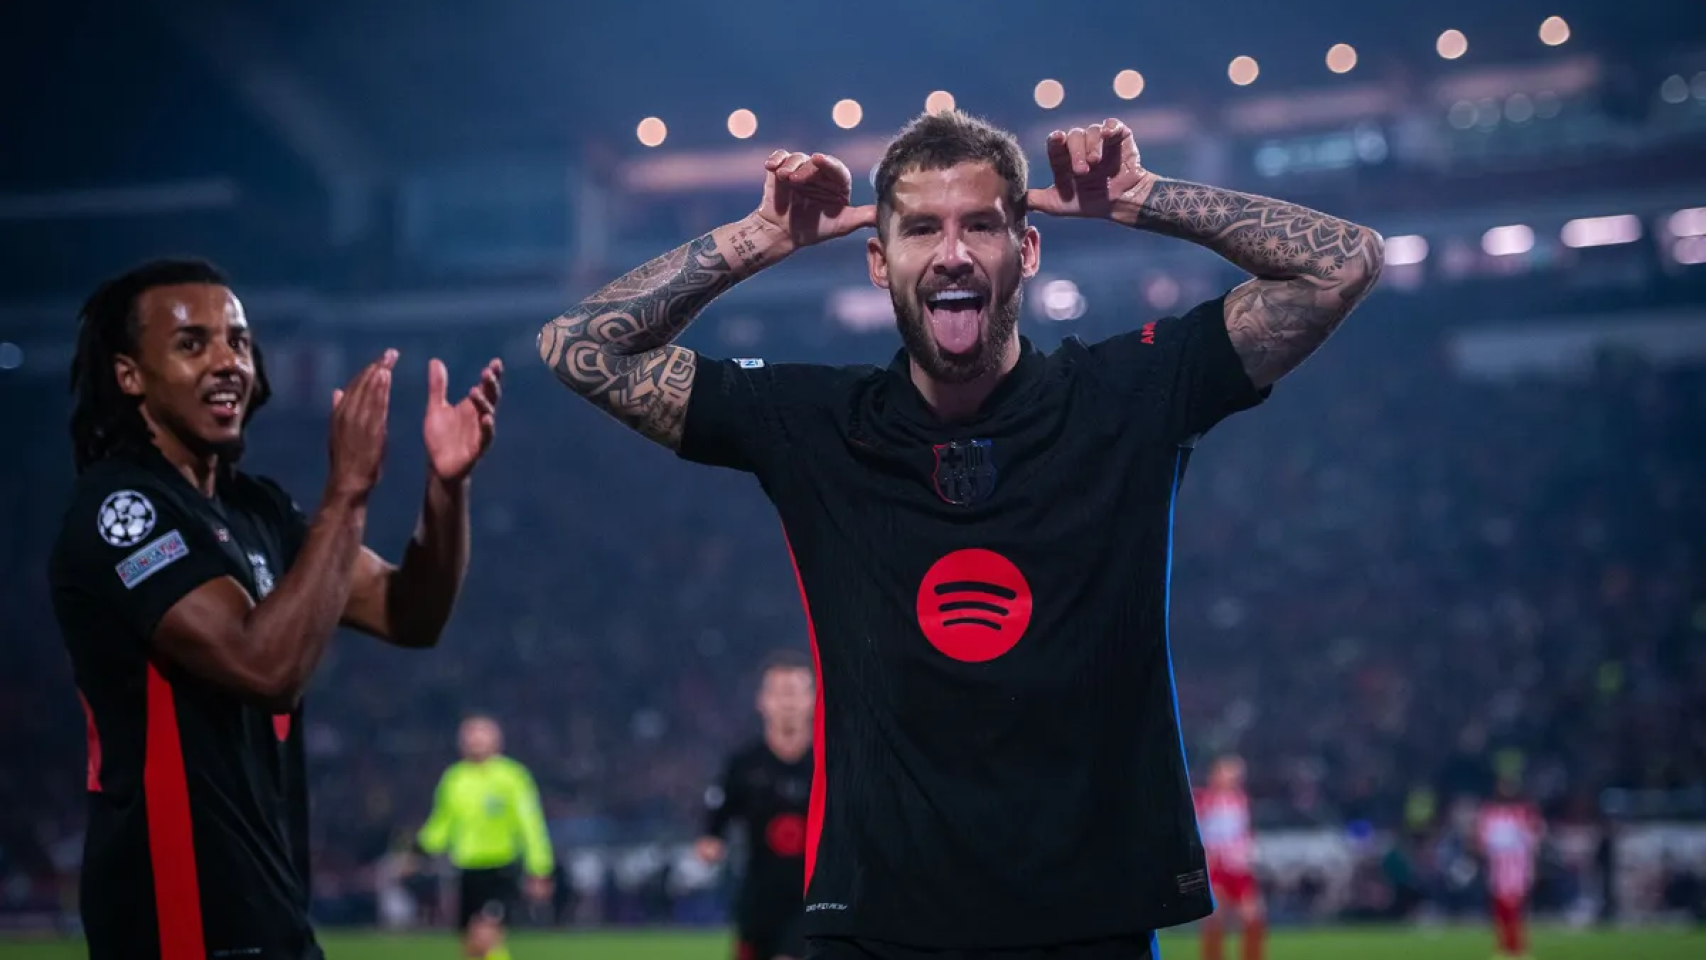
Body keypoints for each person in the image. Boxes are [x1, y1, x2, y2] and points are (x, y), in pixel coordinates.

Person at [537, 110, 1383, 958]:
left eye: (980, 224)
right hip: (878, 932)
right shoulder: (814, 424)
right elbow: (577, 347)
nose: (952, 253)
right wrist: (761, 237)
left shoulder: (1128, 394)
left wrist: (1145, 197)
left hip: (1086, 928)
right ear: (878, 260)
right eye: (919, 230)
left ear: (1029, 248)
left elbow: (1343, 263)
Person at [50, 257, 502, 960]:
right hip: (180, 923)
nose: (228, 360)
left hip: (269, 911)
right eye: (192, 343)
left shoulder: (256, 509)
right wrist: (347, 492)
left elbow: (410, 615)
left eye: (236, 339)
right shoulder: (123, 511)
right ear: (128, 374)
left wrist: (446, 491)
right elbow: (263, 667)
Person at [697, 651, 817, 960]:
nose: (787, 702)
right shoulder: (745, 765)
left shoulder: (830, 764)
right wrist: (711, 841)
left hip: (813, 898)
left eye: (795, 691)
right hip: (758, 899)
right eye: (778, 692)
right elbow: (717, 817)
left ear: (813, 699)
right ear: (762, 701)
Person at [415, 715, 555, 960]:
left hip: (500, 869)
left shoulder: (512, 777)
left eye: (482, 733)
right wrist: (417, 850)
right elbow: (441, 824)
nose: (475, 739)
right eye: (470, 733)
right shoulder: (454, 779)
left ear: (497, 739)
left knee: (485, 936)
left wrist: (539, 869)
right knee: (472, 948)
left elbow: (531, 826)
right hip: (467, 871)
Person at [1193, 756, 1264, 960]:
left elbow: (1243, 832)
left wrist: (1248, 850)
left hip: (1239, 867)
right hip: (1217, 867)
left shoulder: (1240, 800)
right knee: (1215, 919)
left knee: (1253, 918)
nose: (1234, 776)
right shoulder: (1203, 799)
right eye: (1228, 772)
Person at [1476, 778, 1544, 959]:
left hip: (1518, 864)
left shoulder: (1524, 812)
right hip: (1497, 864)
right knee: (1500, 907)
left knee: (1515, 906)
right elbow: (1482, 838)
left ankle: (1518, 947)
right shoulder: (1489, 812)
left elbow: (1534, 835)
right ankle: (1504, 946)